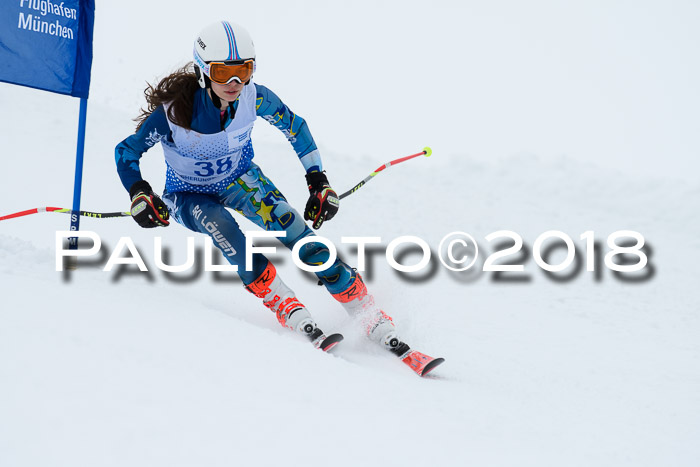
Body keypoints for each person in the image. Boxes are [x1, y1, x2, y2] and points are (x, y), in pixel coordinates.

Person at [115, 21, 438, 370]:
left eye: (245, 70)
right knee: (224, 228)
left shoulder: (255, 97)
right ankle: (285, 304)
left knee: (296, 232)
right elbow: (126, 153)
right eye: (224, 72)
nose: (235, 83)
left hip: (242, 180)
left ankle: (367, 311)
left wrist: (318, 182)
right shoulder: (173, 113)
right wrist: (140, 193)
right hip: (188, 195)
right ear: (203, 71)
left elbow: (296, 127)